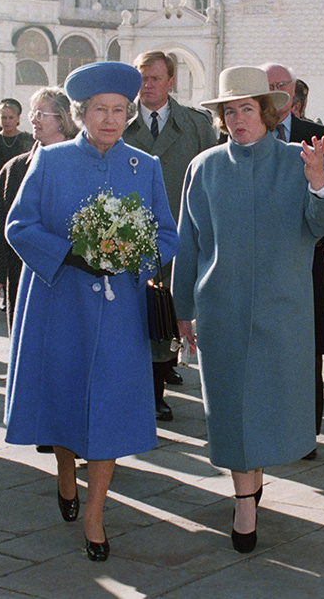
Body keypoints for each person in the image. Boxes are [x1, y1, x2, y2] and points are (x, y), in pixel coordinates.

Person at [173, 65, 324, 552]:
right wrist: (182, 306)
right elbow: (189, 243)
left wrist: (319, 182)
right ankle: (244, 500)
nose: (238, 119)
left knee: (270, 409)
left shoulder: (300, 159)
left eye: (247, 109)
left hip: (282, 310)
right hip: (221, 310)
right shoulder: (204, 167)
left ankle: (252, 483)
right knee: (230, 409)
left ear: (269, 113)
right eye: (230, 111)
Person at [4, 61, 178, 562]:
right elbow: (19, 226)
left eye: (119, 110)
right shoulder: (51, 160)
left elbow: (167, 235)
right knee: (64, 394)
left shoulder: (144, 166)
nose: (110, 119)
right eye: (100, 110)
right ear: (81, 114)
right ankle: (65, 470)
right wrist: (69, 254)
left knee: (111, 406)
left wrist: (131, 254)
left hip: (120, 309)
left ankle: (96, 514)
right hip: (59, 303)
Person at [123, 49, 217, 421]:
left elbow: (211, 179)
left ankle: (158, 387)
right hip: (127, 236)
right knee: (134, 315)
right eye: (141, 79)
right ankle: (143, 390)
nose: (147, 86)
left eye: (155, 79)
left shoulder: (195, 125)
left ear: (171, 82)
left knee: (168, 313)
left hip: (178, 234)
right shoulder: (119, 120)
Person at [261, 62, 324, 456]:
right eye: (269, 85)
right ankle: (267, 426)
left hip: (306, 262)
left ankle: (306, 433)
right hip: (260, 264)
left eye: (283, 84)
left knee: (306, 350)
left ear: (294, 91)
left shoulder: (317, 136)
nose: (277, 91)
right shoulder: (245, 132)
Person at [0, 87, 77, 314]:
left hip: (72, 273)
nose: (33, 119)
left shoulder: (81, 164)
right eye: (33, 113)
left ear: (62, 120)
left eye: (41, 114)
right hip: (23, 271)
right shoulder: (15, 168)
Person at [0, 98, 33, 163]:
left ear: (17, 118)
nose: (7, 121)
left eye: (11, 118)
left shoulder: (28, 139)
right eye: (4, 117)